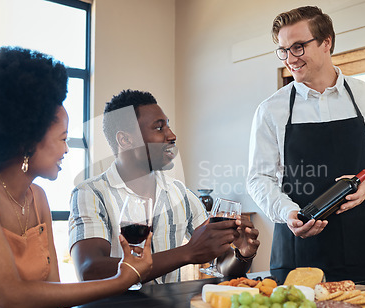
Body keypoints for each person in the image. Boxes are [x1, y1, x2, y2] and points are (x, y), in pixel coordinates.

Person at [0, 47, 152, 308]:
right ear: (29, 138)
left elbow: (51, 292)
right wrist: (121, 280)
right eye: (63, 138)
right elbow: (12, 298)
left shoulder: (38, 198)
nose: (67, 149)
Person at [246, 6, 365, 283]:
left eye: (298, 47)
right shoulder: (270, 110)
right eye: (284, 49)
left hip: (363, 245)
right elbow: (258, 178)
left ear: (327, 42)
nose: (290, 58)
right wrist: (288, 213)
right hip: (298, 247)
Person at [69, 89, 260, 283]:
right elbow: (90, 270)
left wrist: (243, 254)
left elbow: (223, 265)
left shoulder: (181, 194)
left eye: (168, 126)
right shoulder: (91, 194)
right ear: (125, 140)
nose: (172, 135)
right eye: (159, 128)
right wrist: (188, 252)